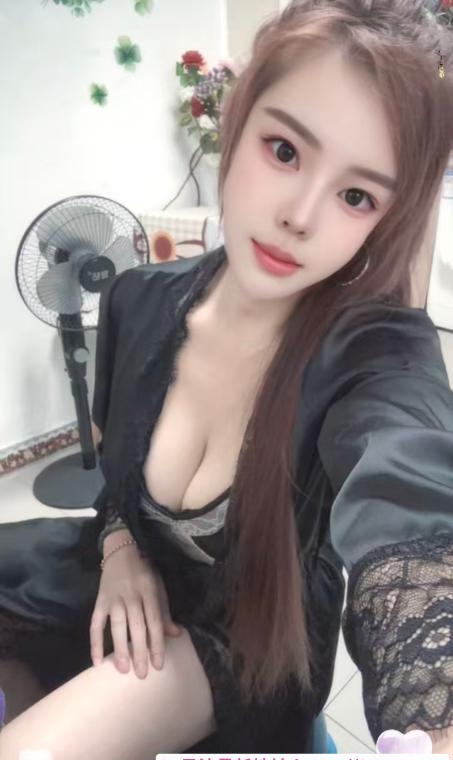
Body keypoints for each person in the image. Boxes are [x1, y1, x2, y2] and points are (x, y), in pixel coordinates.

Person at [1, 0, 453, 757]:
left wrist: (436, 718)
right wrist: (120, 550)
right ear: (237, 123)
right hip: (124, 582)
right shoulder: (136, 299)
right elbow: (115, 475)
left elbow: (413, 507)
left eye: (356, 196)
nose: (300, 215)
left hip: (245, 646)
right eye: (284, 150)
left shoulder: (375, 356)